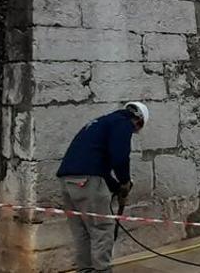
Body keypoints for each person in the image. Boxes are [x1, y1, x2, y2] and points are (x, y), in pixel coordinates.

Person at [56, 102, 149, 272]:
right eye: (136, 130)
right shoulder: (123, 124)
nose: (134, 132)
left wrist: (116, 188)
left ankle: (85, 270)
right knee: (101, 229)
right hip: (87, 180)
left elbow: (99, 166)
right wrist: (125, 182)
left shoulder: (102, 122)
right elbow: (120, 157)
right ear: (138, 121)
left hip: (67, 180)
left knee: (82, 232)